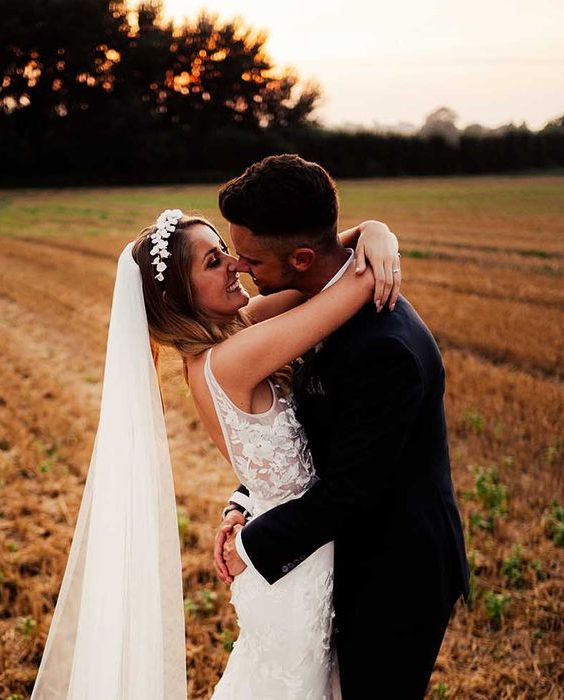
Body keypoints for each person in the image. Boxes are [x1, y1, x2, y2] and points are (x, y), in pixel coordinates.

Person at [31, 177, 401, 698]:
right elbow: (352, 285)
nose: (237, 264)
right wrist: (381, 239)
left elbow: (318, 262)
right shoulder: (231, 361)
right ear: (183, 298)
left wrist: (374, 228)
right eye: (213, 262)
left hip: (292, 548)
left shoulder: (233, 338)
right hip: (292, 573)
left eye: (224, 250)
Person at [214, 154, 471, 699]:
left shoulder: (384, 348)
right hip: (347, 555)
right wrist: (247, 496)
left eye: (251, 259)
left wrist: (252, 545)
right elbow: (309, 438)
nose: (240, 268)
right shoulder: (322, 303)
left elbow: (353, 490)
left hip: (397, 572)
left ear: (302, 257)